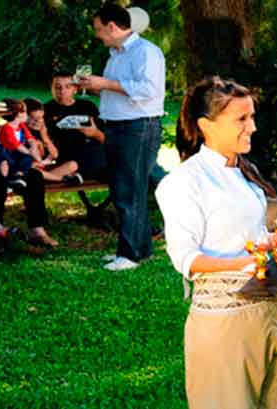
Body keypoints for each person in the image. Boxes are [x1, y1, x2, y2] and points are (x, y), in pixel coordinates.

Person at [156, 77, 277, 409]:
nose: (252, 127)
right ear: (206, 126)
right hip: (224, 325)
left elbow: (253, 238)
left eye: (252, 117)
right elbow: (186, 259)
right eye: (241, 119)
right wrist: (246, 265)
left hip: (268, 314)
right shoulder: (183, 183)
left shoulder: (244, 171)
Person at [80, 4, 165, 270]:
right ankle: (139, 250)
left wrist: (104, 84)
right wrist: (94, 88)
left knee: (129, 191)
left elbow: (149, 90)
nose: (97, 35)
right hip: (117, 127)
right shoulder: (115, 54)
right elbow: (120, 90)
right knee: (123, 189)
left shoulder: (147, 53)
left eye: (99, 29)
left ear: (113, 27)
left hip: (137, 129)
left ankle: (129, 255)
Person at [44, 72, 107, 181]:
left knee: (105, 151)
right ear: (52, 89)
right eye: (58, 87)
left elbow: (105, 139)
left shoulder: (88, 107)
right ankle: (75, 174)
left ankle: (75, 173)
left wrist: (95, 133)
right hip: (63, 153)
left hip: (89, 151)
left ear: (75, 88)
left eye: (68, 87)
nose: (62, 91)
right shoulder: (45, 110)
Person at [24, 97, 83, 184]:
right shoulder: (21, 132)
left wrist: (44, 137)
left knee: (72, 165)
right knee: (32, 171)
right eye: (34, 118)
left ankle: (45, 179)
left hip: (43, 170)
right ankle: (63, 179)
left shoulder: (44, 130)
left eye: (41, 117)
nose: (38, 121)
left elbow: (54, 155)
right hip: (29, 170)